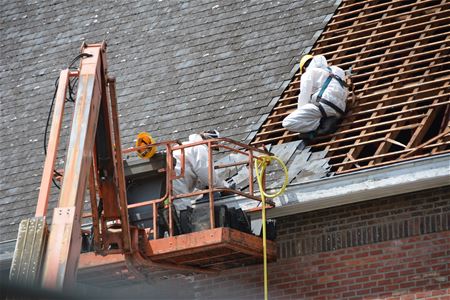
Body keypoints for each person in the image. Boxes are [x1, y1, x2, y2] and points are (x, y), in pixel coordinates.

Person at [282, 55, 349, 139]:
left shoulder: (308, 74)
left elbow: (304, 95)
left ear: (304, 68)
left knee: (288, 122)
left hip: (324, 105)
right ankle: (327, 118)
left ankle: (322, 123)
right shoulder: (337, 70)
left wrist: (302, 112)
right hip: (341, 108)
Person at [171, 130, 231, 210]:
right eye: (214, 145)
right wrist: (222, 188)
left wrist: (204, 186)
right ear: (211, 141)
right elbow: (207, 173)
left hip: (169, 177)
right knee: (182, 206)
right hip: (176, 177)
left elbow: (195, 175)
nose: (212, 149)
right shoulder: (200, 148)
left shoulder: (188, 145)